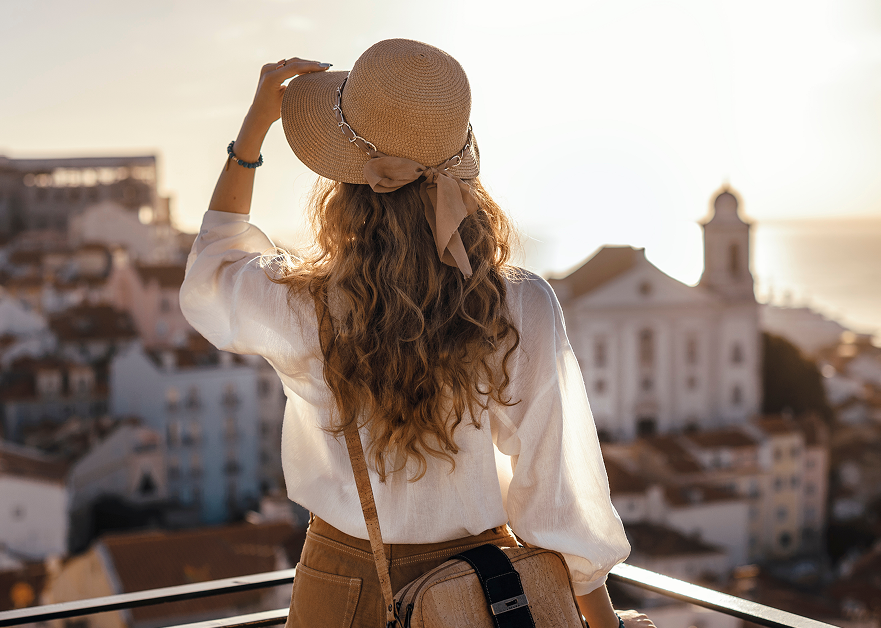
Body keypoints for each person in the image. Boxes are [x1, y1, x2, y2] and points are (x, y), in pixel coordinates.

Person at [181, 39, 654, 628]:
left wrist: (252, 133)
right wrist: (599, 617)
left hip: (341, 584)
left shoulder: (303, 303)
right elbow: (554, 486)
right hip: (481, 591)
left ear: (342, 183)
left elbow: (211, 274)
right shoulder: (520, 303)